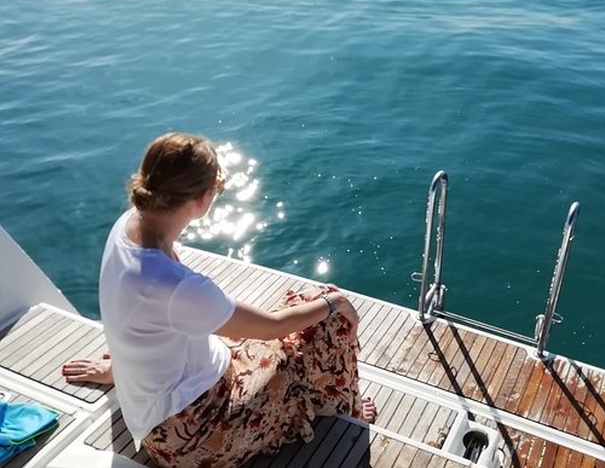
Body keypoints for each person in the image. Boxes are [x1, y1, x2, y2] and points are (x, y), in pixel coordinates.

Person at [60, 133, 377, 468]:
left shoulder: (126, 227)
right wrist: (336, 302)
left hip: (157, 421)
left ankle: (334, 399)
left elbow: (134, 317)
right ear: (202, 198)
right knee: (320, 317)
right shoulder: (177, 286)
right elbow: (273, 328)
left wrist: (118, 370)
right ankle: (349, 412)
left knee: (300, 311)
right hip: (198, 437)